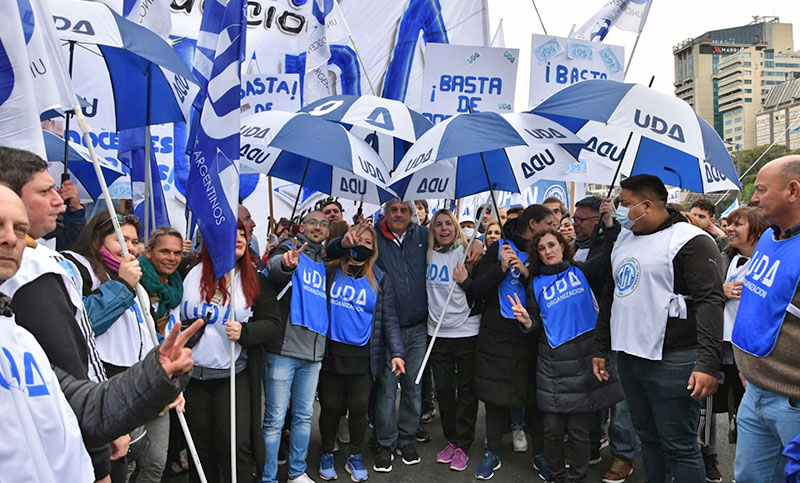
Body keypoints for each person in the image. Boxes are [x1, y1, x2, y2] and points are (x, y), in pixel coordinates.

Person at [593, 174, 725, 483]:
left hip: (673, 360)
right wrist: (601, 346)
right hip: (628, 356)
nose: (618, 210)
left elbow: (710, 301)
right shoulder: (623, 239)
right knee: (648, 439)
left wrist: (707, 362)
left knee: (679, 445)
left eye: (624, 204)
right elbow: (612, 295)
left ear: (647, 205)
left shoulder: (690, 240)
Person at [0, 149, 116, 481]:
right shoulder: (29, 273)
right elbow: (68, 366)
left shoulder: (37, 265)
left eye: (19, 229)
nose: (59, 201)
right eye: (44, 191)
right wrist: (99, 456)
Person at [510, 214, 623, 483]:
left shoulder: (581, 271)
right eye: (541, 248)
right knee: (551, 431)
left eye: (552, 245)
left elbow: (610, 253)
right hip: (552, 366)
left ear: (563, 246)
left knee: (580, 432)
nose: (547, 251)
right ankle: (555, 477)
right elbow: (536, 323)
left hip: (585, 361)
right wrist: (527, 321)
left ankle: (580, 478)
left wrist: (608, 223)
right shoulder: (534, 284)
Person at [65, 212, 168, 483]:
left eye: (134, 241)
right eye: (121, 239)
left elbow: (147, 333)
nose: (130, 248)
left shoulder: (138, 282)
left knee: (155, 460)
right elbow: (84, 323)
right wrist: (121, 285)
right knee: (125, 461)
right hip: (112, 380)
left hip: (147, 377)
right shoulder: (81, 271)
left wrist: (168, 375)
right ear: (98, 240)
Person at [175, 220, 274, 482]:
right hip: (192, 379)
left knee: (235, 447)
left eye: (243, 234)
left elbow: (273, 324)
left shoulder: (254, 278)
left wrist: (246, 332)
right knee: (199, 449)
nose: (240, 238)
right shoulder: (190, 270)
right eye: (232, 234)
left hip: (232, 377)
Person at [471, 204, 556, 480]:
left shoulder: (545, 250)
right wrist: (501, 267)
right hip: (497, 333)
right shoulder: (499, 247)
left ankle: (540, 453)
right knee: (496, 396)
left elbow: (554, 286)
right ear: (533, 224)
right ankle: (491, 450)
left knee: (532, 395)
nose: (552, 229)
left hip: (532, 332)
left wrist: (529, 273)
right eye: (548, 223)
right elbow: (478, 289)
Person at [317, 224, 406, 482]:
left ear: (374, 249)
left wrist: (398, 353)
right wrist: (342, 244)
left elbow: (389, 319)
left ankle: (355, 455)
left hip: (363, 355)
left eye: (368, 242)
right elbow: (326, 253)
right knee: (331, 407)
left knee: (358, 408)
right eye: (359, 239)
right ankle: (326, 452)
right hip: (332, 352)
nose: (363, 245)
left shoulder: (379, 277)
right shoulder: (331, 269)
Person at [731, 156, 800, 483]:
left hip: (792, 406)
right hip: (754, 392)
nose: (753, 198)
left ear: (793, 191)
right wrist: (749, 371)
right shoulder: (769, 239)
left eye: (760, 189)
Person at [262, 210, 330, 483]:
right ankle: (267, 476)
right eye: (312, 222)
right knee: (275, 419)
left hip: (313, 352)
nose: (317, 227)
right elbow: (275, 266)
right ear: (302, 225)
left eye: (324, 224)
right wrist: (287, 263)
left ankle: (296, 472)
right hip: (283, 350)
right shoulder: (289, 246)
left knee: (304, 417)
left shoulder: (326, 259)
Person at [425, 210, 481, 472]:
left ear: (456, 227)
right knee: (445, 391)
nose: (444, 228)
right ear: (432, 229)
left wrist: (479, 240)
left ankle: (464, 445)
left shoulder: (467, 251)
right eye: (439, 224)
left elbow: (492, 243)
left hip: (466, 330)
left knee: (466, 391)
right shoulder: (426, 254)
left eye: (449, 223)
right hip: (437, 332)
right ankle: (451, 439)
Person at [140, 227, 184, 335]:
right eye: (165, 251)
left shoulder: (177, 286)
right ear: (149, 252)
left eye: (177, 253)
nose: (172, 258)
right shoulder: (135, 284)